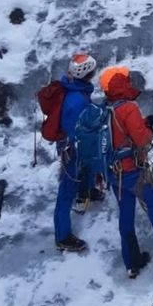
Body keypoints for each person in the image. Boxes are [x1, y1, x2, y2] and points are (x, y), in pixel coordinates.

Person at [99, 66, 153, 278]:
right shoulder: (128, 108)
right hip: (133, 172)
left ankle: (132, 262)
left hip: (114, 174)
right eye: (127, 80)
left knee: (126, 216)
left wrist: (150, 121)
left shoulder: (105, 109)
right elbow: (143, 140)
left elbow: (122, 134)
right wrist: (150, 128)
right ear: (121, 85)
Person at [54, 53, 99, 252]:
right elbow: (76, 130)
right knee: (66, 192)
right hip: (71, 148)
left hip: (72, 145)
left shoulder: (75, 89)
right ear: (88, 74)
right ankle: (62, 237)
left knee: (87, 167)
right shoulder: (77, 100)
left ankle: (89, 190)